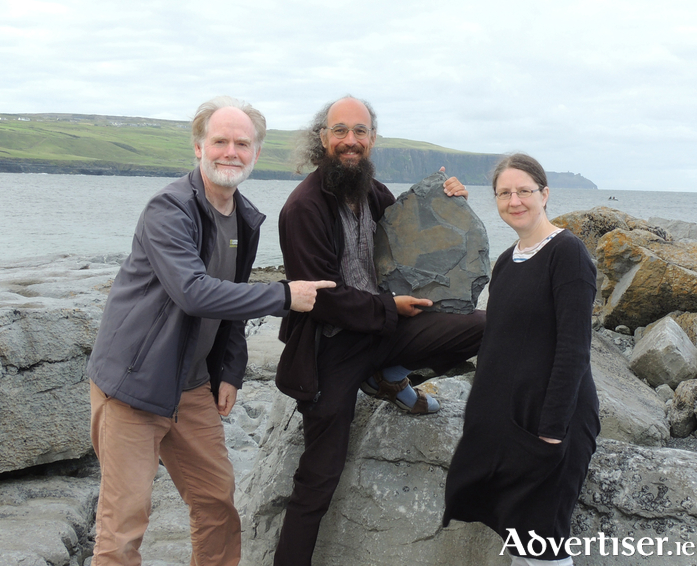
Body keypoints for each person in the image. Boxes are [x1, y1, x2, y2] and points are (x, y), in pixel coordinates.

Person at [86, 95, 335, 566]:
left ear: (256, 154)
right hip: (134, 384)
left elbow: (231, 302)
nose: (231, 152)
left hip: (193, 385)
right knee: (124, 523)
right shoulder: (169, 209)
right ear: (198, 148)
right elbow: (194, 292)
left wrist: (230, 369)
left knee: (217, 505)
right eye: (220, 141)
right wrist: (285, 295)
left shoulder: (245, 217)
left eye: (242, 143)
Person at [273, 95, 486, 566]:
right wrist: (389, 306)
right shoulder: (303, 207)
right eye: (340, 131)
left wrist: (450, 204)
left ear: (371, 140)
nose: (351, 140)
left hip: (383, 331)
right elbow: (321, 299)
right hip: (331, 349)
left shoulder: (373, 192)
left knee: (480, 326)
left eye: (361, 131)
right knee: (319, 478)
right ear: (322, 138)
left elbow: (413, 234)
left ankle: (389, 375)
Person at [443, 153, 601, 566]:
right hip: (511, 423)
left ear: (544, 194)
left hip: (552, 425)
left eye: (524, 191)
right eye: (504, 193)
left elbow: (574, 350)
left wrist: (551, 433)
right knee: (517, 538)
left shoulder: (568, 254)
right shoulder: (505, 261)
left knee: (543, 545)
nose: (515, 200)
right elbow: (500, 344)